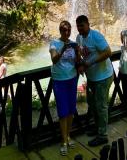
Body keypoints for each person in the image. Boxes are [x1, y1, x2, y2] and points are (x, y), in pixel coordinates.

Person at [76, 14, 113, 147]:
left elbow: (108, 52)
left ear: (88, 24)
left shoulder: (96, 36)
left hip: (104, 76)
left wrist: (90, 62)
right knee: (92, 104)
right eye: (78, 26)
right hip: (92, 77)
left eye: (82, 25)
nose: (80, 28)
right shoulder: (79, 38)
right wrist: (80, 65)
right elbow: (80, 54)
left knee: (101, 106)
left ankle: (102, 135)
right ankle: (98, 128)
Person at [49, 21, 79, 156]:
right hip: (59, 80)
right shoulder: (54, 44)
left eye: (68, 30)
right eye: (64, 30)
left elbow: (76, 61)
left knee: (71, 110)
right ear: (60, 31)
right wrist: (63, 49)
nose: (66, 33)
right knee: (63, 111)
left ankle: (68, 136)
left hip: (72, 78)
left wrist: (78, 52)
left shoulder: (73, 43)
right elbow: (54, 60)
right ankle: (63, 141)